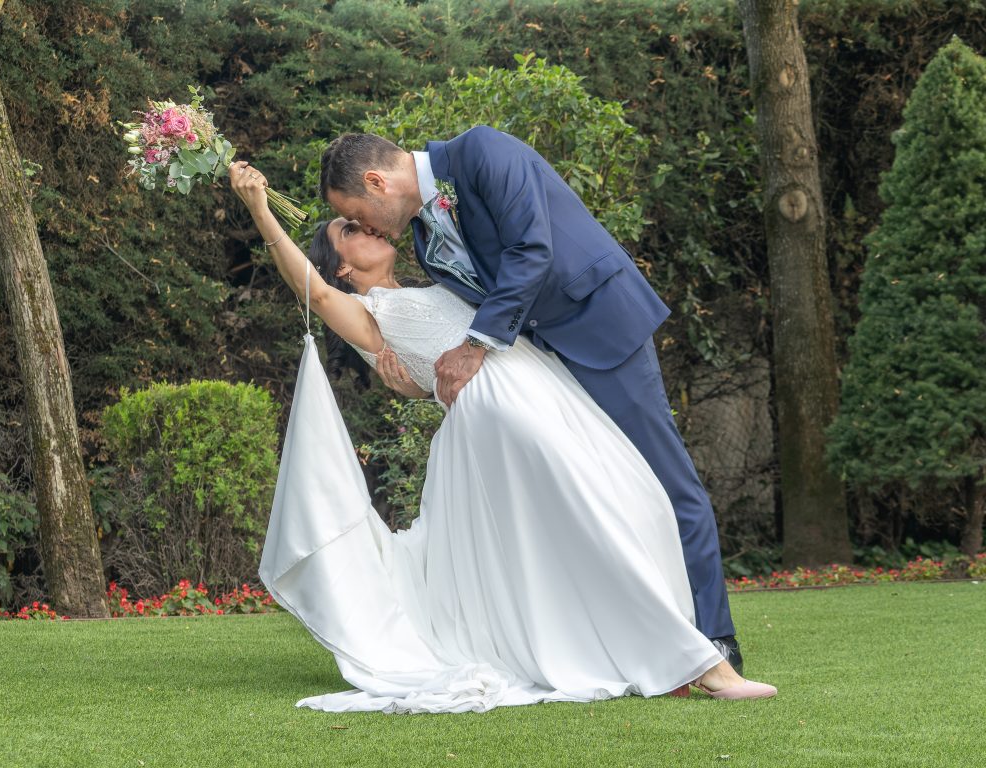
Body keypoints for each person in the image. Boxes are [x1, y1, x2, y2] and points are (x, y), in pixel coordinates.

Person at [231, 161, 776, 713]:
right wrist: (260, 211)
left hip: (544, 388)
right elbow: (317, 296)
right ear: (342, 269)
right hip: (499, 411)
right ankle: (705, 666)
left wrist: (419, 385)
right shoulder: (366, 313)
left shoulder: (433, 280)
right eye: (349, 229)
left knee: (636, 498)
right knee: (590, 511)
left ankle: (642, 653)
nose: (367, 227)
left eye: (359, 220)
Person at [318, 127, 743, 673]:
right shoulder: (425, 240)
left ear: (377, 182)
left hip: (600, 328)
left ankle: (715, 637)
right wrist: (418, 377)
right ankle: (641, 636)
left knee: (666, 479)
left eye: (358, 214)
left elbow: (531, 251)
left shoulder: (483, 152)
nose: (370, 228)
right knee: (603, 489)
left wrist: (474, 348)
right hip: (540, 366)